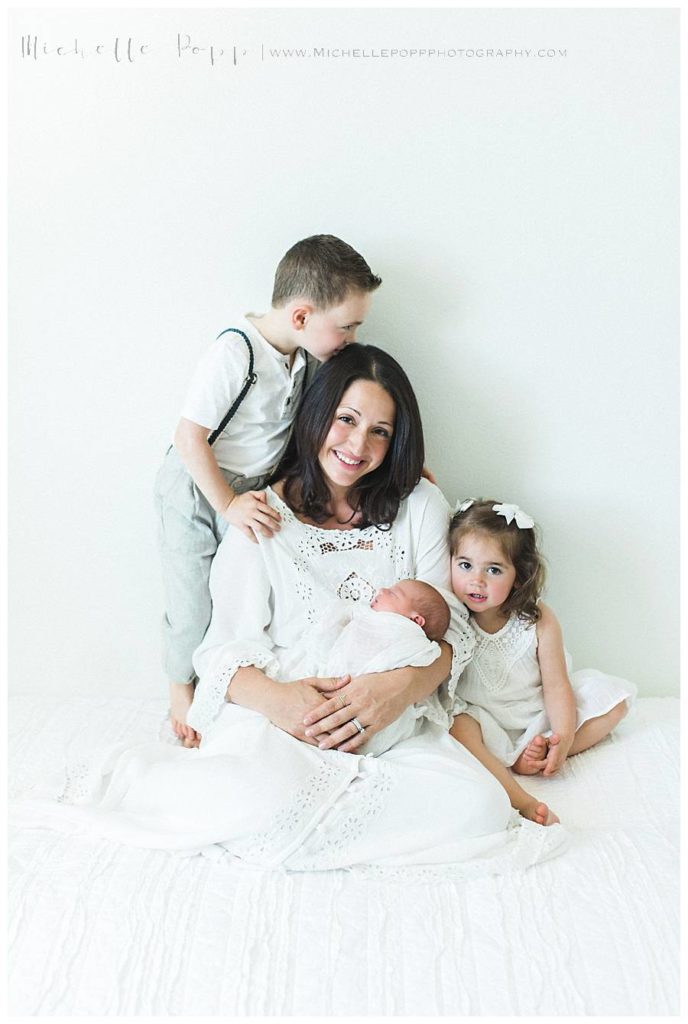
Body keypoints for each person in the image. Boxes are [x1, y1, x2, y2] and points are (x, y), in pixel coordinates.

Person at [22, 346, 566, 877]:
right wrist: (285, 705)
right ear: (316, 416)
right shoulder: (261, 518)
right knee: (254, 795)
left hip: (394, 725)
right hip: (281, 722)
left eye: (380, 431)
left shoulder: (419, 507)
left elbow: (456, 629)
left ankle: (309, 817)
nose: (359, 445)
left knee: (479, 808)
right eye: (346, 419)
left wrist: (396, 689)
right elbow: (219, 654)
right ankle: (281, 807)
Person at [154, 234, 381, 746]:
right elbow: (188, 438)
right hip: (198, 489)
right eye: (346, 326)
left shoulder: (301, 358)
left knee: (227, 596)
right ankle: (178, 687)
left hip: (249, 491)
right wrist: (228, 503)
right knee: (191, 599)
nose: (351, 337)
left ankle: (225, 678)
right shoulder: (236, 352)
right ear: (301, 317)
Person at [448, 499, 637, 815]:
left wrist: (562, 736)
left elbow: (557, 686)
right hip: (483, 719)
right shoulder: (451, 615)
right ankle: (519, 795)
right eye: (465, 565)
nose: (476, 580)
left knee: (613, 702)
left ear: (519, 577)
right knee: (456, 727)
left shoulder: (537, 621)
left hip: (536, 714)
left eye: (493, 569)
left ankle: (546, 753)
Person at [277, 580, 451, 756]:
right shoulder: (364, 614)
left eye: (392, 593)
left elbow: (429, 654)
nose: (381, 590)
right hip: (333, 682)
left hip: (379, 702)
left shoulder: (409, 635)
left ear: (416, 620)